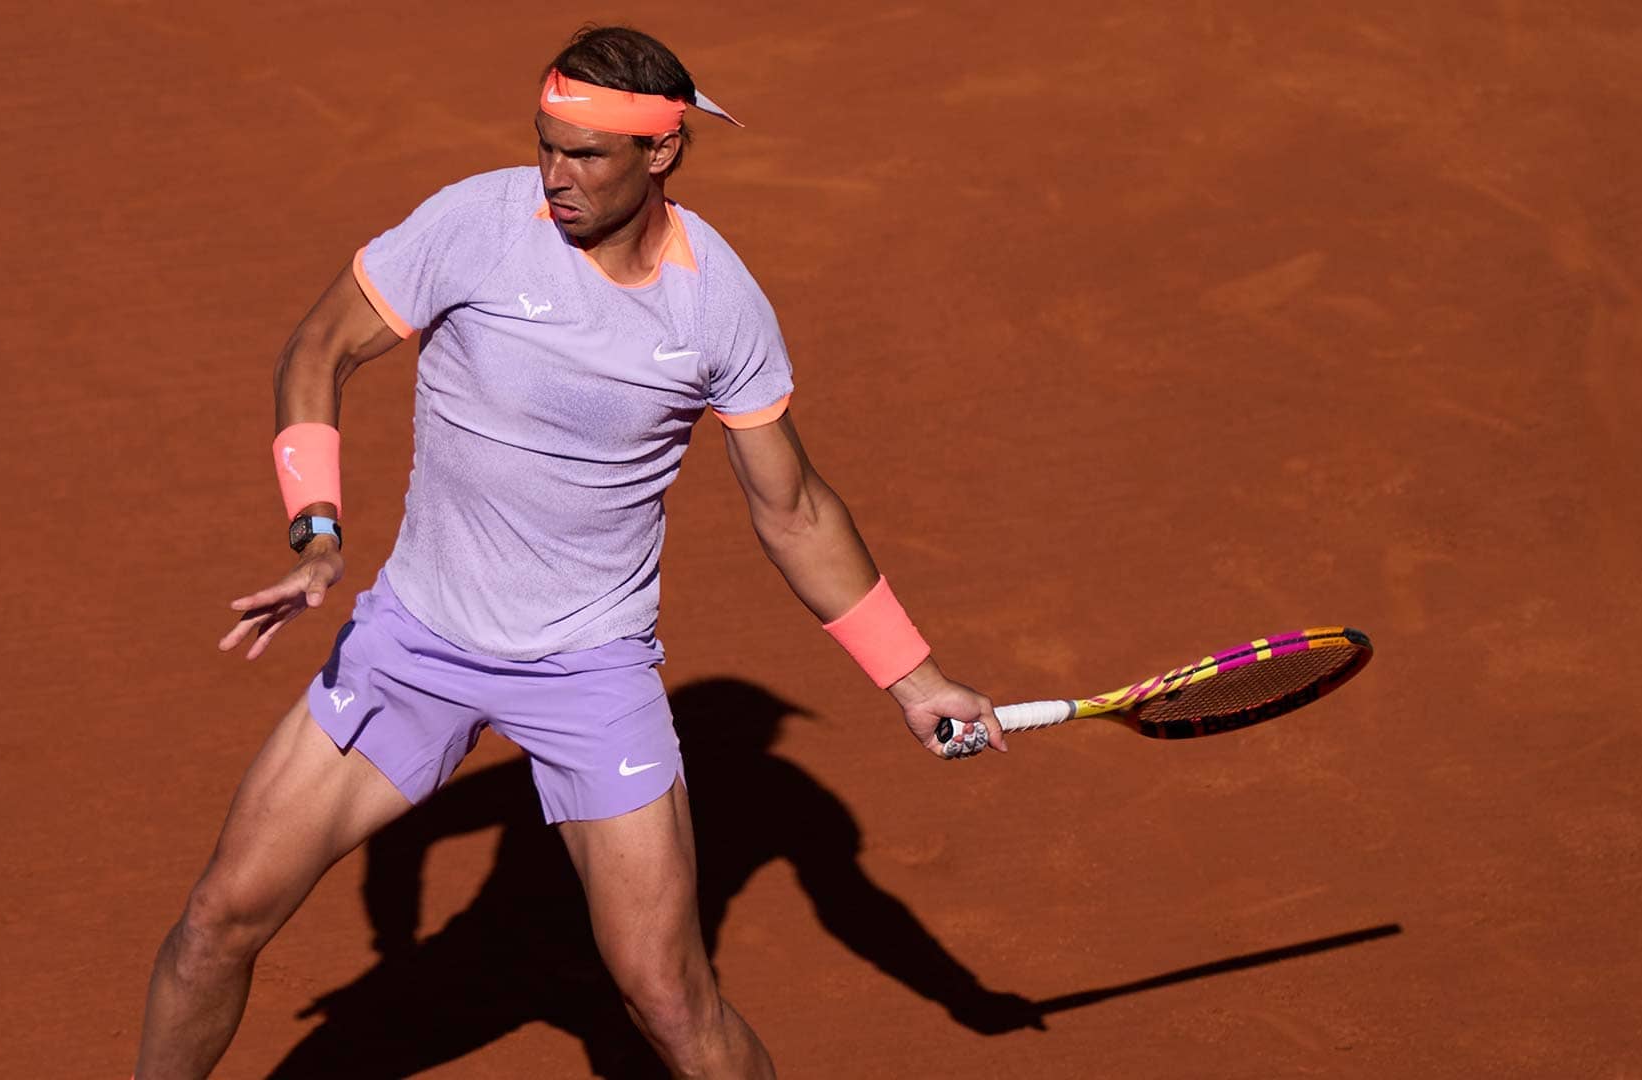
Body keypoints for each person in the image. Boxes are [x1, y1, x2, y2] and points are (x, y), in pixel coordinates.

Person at [134, 25, 1005, 1080]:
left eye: (585, 156)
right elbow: (319, 346)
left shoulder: (717, 304)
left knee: (669, 998)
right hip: (416, 643)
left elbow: (795, 511)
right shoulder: (474, 224)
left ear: (663, 152)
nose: (554, 178)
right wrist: (316, 528)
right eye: (545, 145)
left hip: (590, 672)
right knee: (222, 917)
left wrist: (914, 679)